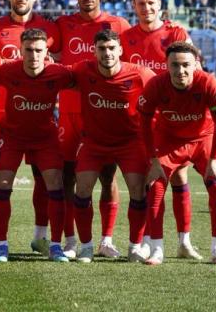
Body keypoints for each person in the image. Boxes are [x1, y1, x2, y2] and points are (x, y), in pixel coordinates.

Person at [0, 0, 61, 257]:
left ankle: (41, 236)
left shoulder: (52, 29)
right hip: (2, 117)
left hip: (40, 116)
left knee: (45, 177)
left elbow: (63, 64)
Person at [121, 0, 202, 260]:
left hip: (173, 122)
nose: (147, 8)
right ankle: (146, 240)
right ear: (134, 6)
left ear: (160, 5)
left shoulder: (176, 33)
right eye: (141, 3)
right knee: (148, 182)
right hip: (140, 122)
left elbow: (196, 71)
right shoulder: (125, 37)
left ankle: (184, 241)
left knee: (180, 176)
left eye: (151, 3)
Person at [55, 0, 131, 259]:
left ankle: (107, 239)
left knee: (107, 177)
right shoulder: (63, 25)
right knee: (67, 178)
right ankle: (71, 240)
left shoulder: (118, 25)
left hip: (104, 114)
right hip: (69, 114)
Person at [138, 42, 216, 266]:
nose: (181, 71)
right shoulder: (156, 85)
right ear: (167, 66)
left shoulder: (208, 83)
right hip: (169, 140)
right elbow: (144, 122)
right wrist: (153, 160)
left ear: (196, 64)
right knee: (156, 186)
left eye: (186, 65)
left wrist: (213, 159)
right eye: (175, 65)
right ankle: (157, 250)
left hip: (203, 139)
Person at [0, 29, 73, 263]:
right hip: (13, 137)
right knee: (2, 185)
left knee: (55, 185)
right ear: (21, 50)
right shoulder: (7, 71)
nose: (33, 55)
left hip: (45, 137)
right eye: (29, 50)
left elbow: (81, 81)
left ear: (47, 52)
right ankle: (2, 246)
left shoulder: (58, 73)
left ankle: (56, 245)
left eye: (38, 50)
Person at [71, 30, 155, 263]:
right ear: (94, 50)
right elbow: (57, 75)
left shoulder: (140, 74)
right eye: (102, 48)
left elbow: (163, 89)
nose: (107, 53)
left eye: (111, 48)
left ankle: (135, 246)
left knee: (138, 192)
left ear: (120, 50)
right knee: (82, 190)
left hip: (130, 143)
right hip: (94, 143)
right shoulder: (82, 70)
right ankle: (86, 247)